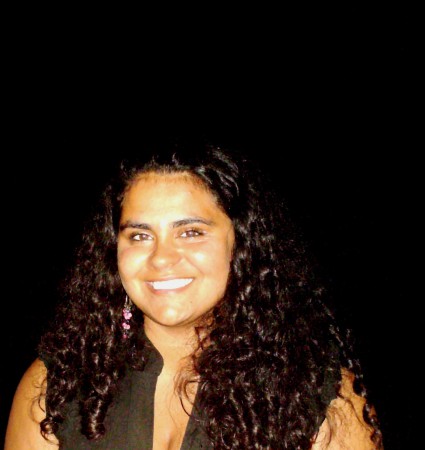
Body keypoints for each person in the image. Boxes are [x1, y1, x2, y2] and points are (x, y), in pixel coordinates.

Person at [5, 139, 383, 449]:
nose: (161, 257)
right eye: (140, 235)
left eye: (191, 232)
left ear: (242, 243)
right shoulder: (56, 386)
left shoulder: (320, 399)